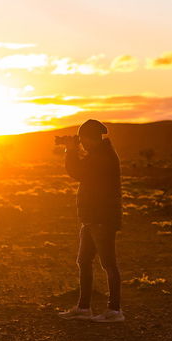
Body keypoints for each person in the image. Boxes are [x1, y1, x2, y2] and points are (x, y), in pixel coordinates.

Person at [57, 119, 124, 323]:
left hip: (101, 218)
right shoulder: (100, 154)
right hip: (92, 218)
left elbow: (77, 172)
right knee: (84, 261)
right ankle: (84, 308)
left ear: (90, 138)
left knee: (108, 264)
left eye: (83, 139)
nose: (82, 143)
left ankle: (114, 311)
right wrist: (74, 149)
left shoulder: (103, 157)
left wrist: (70, 150)